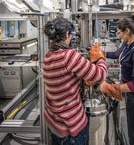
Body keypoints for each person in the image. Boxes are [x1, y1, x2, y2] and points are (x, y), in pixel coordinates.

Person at [43, 17, 107, 145]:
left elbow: (64, 79)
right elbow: (100, 75)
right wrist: (100, 58)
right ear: (67, 34)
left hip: (54, 121)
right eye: (70, 35)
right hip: (70, 124)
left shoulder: (48, 56)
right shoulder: (69, 56)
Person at [101, 17, 134, 145]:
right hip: (131, 96)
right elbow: (117, 54)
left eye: (119, 32)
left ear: (127, 31)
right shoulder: (127, 43)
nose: (118, 35)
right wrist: (101, 53)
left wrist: (114, 88)